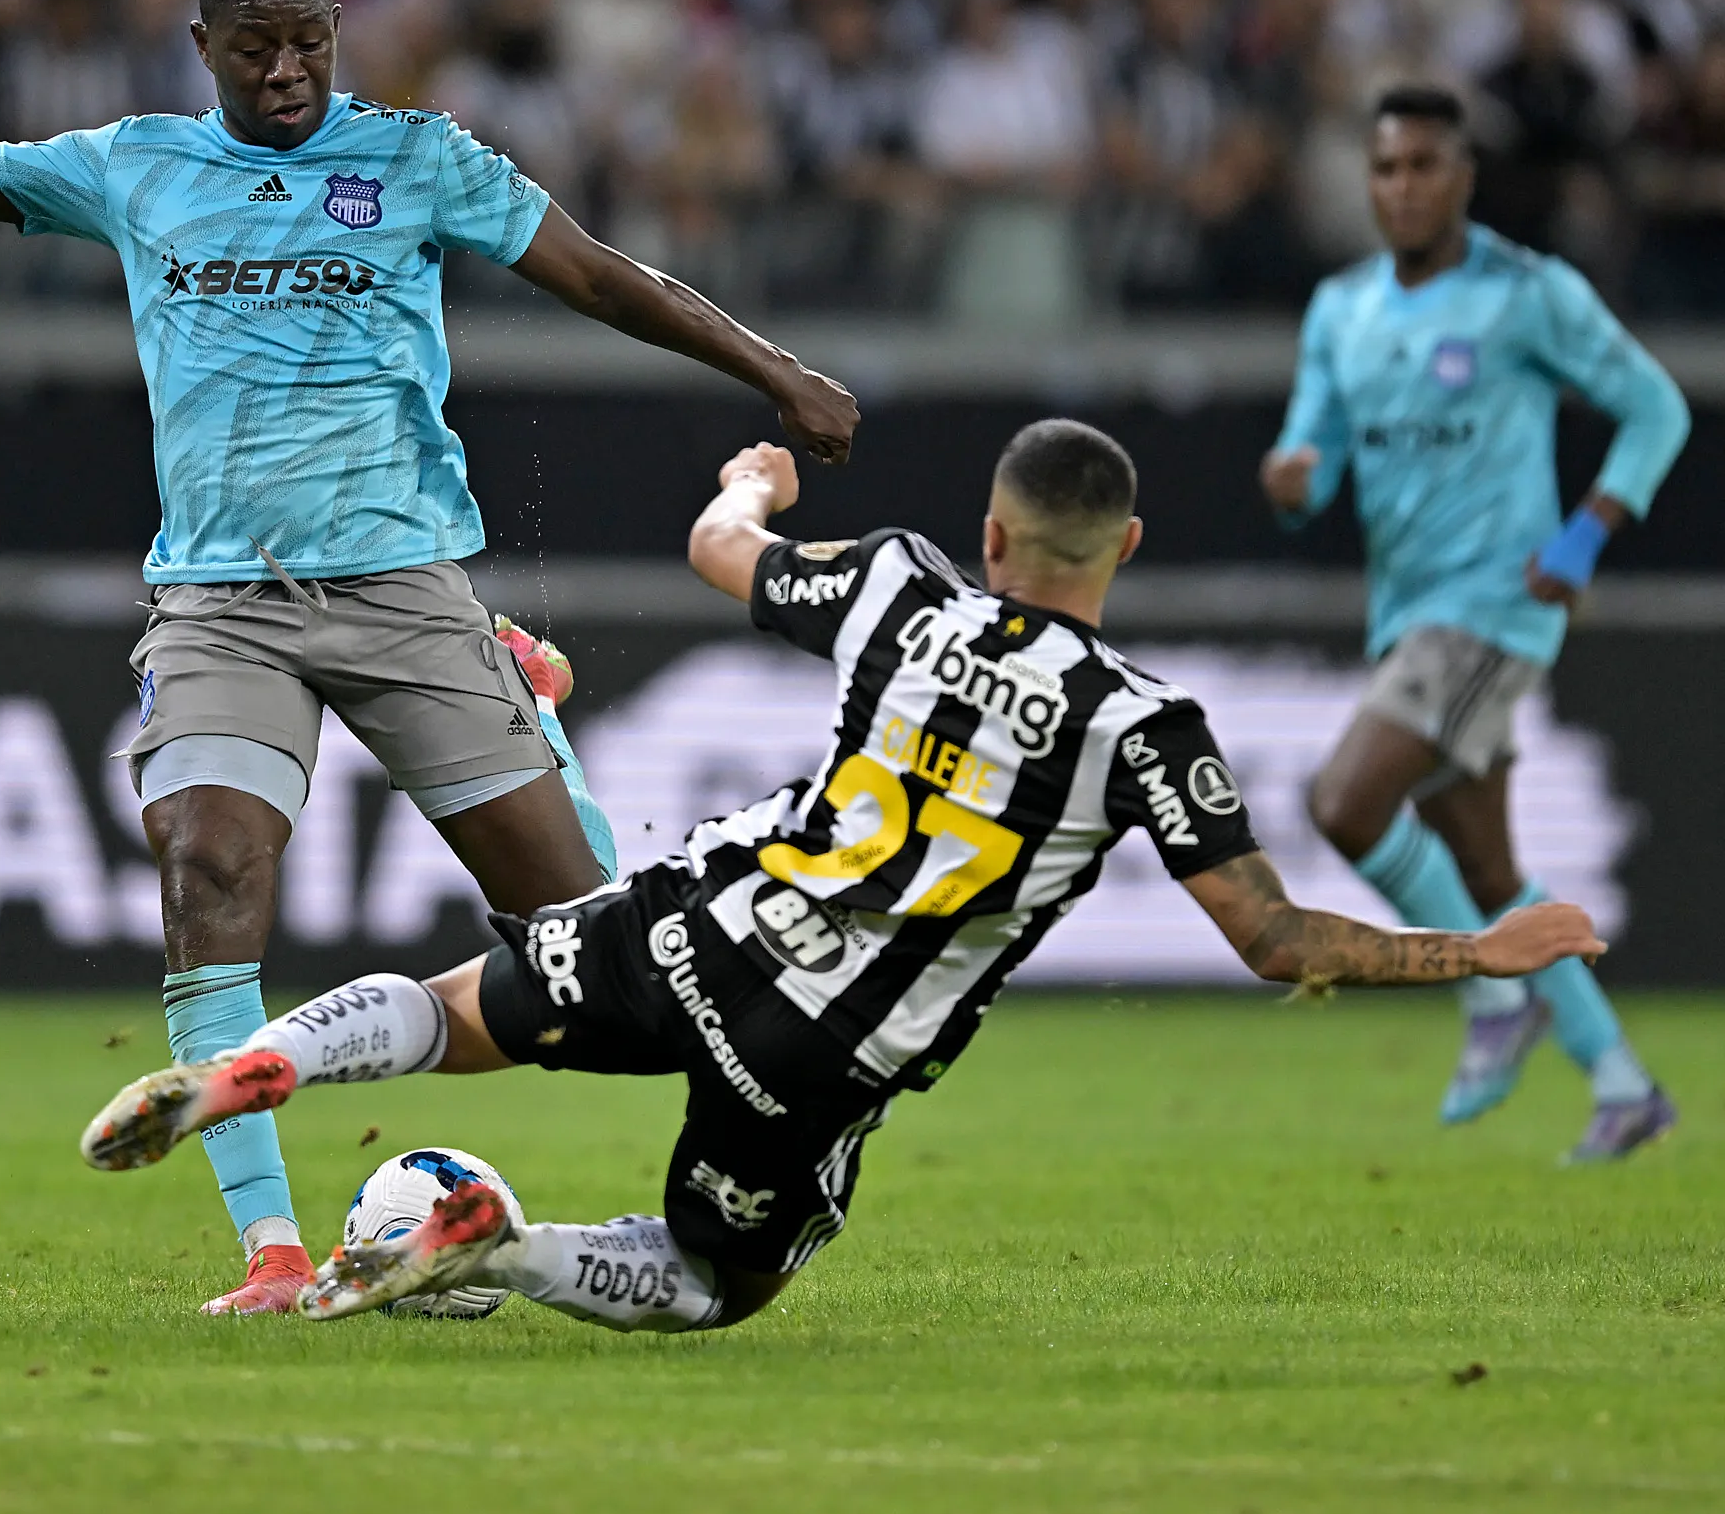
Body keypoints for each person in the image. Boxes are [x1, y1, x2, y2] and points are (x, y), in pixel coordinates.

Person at [0, 0, 862, 1315]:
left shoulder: (419, 159)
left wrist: (773, 370)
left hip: (403, 584)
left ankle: (522, 707)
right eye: (254, 50)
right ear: (203, 46)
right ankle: (274, 1255)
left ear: (336, 35)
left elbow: (603, 277)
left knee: (586, 943)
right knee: (209, 870)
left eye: (307, 43)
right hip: (220, 602)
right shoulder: (133, 166)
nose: (285, 72)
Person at [78, 422, 1609, 1331]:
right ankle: (513, 1246)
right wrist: (1479, 953)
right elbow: (1271, 940)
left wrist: (754, 485)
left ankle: (255, 1060)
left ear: (994, 531)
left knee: (452, 1009)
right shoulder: (1145, 727)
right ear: (1122, 547)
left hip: (703, 919)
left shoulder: (899, 590)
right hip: (824, 1045)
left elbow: (715, 544)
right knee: (710, 1281)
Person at [1261, 84, 1689, 1160]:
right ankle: (1624, 1082)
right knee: (1492, 866)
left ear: (1463, 176)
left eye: (1423, 165)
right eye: (1386, 168)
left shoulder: (1526, 291)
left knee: (1344, 801)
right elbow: (1310, 462)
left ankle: (1492, 994)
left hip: (1495, 602)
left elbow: (1657, 406)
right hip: (1407, 611)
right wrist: (1290, 478)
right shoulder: (1342, 309)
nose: (1402, 186)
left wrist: (1588, 532)